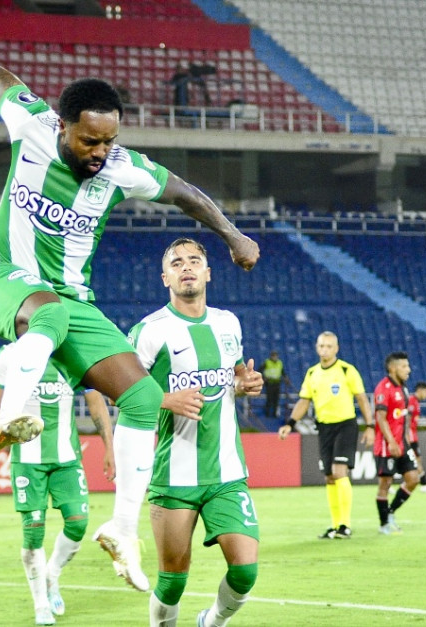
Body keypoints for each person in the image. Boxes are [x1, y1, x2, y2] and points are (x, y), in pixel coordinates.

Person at [0, 62, 259, 591]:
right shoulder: (30, 122)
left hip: (73, 302)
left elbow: (184, 193)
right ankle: (12, 416)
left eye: (109, 141)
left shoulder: (120, 167)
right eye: (90, 140)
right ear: (62, 126)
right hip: (6, 283)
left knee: (141, 396)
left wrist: (231, 234)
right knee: (51, 311)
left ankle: (123, 529)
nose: (100, 153)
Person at [129, 238, 263, 627]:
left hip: (227, 473)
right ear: (165, 277)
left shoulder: (228, 323)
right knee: (172, 582)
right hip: (175, 476)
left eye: (194, 261)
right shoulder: (149, 331)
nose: (185, 267)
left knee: (245, 572)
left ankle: (212, 622)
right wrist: (166, 400)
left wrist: (247, 382)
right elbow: (122, 391)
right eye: (176, 262)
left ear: (208, 272)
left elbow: (236, 374)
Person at [0, 344, 115, 626]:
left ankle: (52, 574)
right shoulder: (9, 355)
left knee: (78, 523)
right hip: (27, 460)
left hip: (67, 458)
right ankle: (41, 603)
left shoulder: (73, 353)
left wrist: (109, 447)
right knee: (32, 534)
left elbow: (95, 401)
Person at [277, 332, 374, 540]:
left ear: (336, 348)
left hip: (345, 425)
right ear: (316, 347)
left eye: (329, 346)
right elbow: (304, 401)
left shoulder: (347, 370)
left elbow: (362, 399)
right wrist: (290, 424)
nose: (325, 350)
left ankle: (345, 525)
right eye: (321, 346)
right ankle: (335, 525)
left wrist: (370, 425)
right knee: (329, 477)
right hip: (324, 428)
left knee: (339, 472)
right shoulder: (312, 373)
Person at [373, 352, 419, 534]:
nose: (408, 370)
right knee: (385, 483)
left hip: (402, 442)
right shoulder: (383, 388)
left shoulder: (403, 388)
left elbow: (403, 417)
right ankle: (384, 524)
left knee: (413, 479)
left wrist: (406, 441)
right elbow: (381, 417)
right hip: (386, 443)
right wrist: (391, 442)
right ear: (393, 368)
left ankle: (390, 513)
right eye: (404, 366)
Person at [258, 350, 291, 419]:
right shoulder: (267, 362)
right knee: (269, 399)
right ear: (271, 356)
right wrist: (264, 377)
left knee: (276, 399)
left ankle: (274, 414)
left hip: (277, 382)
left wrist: (285, 378)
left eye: (276, 356)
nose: (275, 357)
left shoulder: (280, 363)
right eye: (273, 356)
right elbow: (260, 370)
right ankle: (267, 414)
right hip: (269, 382)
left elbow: (282, 372)